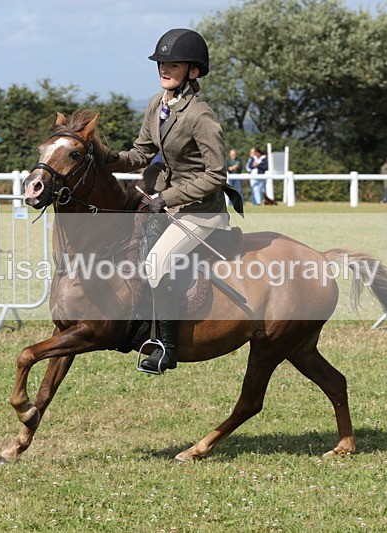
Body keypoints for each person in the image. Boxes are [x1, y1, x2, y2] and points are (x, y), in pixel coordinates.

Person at [108, 28, 235, 375]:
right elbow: (141, 152)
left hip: (200, 212)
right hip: (168, 203)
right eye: (161, 63)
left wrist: (166, 197)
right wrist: (107, 158)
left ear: (193, 72)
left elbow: (216, 175)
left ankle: (167, 348)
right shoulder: (156, 104)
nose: (164, 69)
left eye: (173, 64)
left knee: (156, 263)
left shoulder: (201, 116)